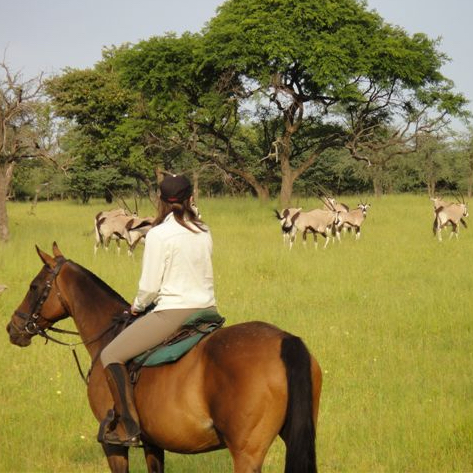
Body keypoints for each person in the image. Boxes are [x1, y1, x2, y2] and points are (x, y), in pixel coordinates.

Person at [99, 174, 216, 447]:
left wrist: (137, 307)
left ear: (161, 201)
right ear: (190, 199)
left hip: (173, 312)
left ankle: (128, 427)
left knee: (111, 354)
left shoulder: (158, 234)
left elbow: (150, 287)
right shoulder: (204, 230)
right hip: (208, 309)